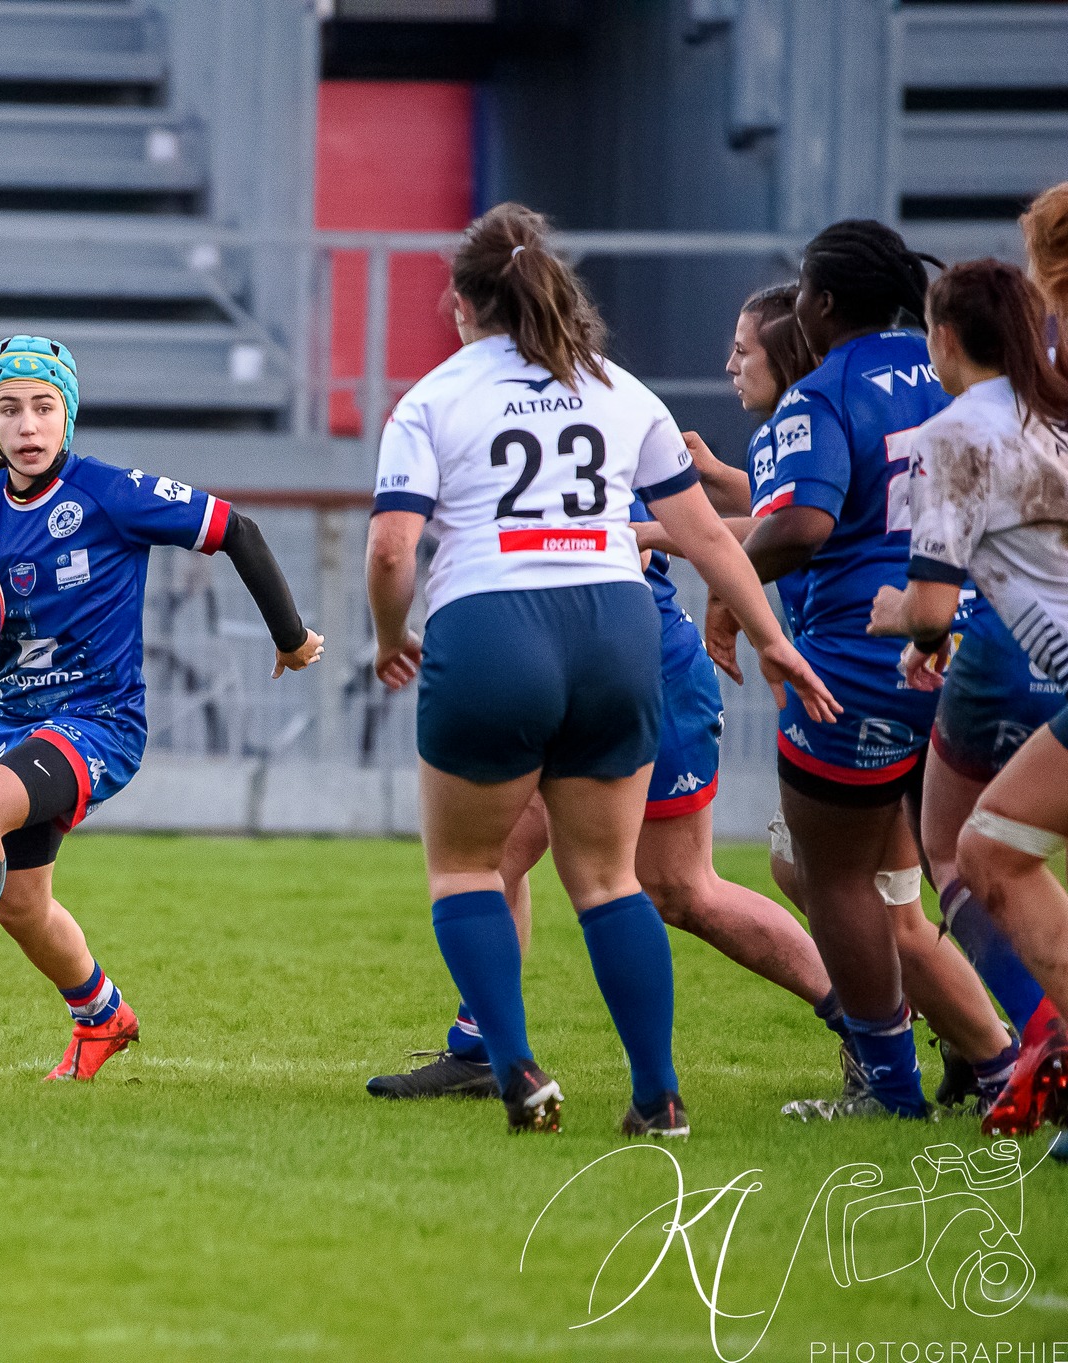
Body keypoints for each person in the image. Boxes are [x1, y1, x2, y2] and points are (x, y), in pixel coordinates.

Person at [366, 204, 836, 1136]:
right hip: (620, 627)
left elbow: (391, 550)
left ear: (462, 304)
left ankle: (514, 1067)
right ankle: (657, 1094)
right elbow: (703, 531)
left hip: (494, 623)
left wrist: (389, 633)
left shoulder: (433, 398)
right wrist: (770, 633)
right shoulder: (620, 389)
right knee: (612, 879)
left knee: (465, 868)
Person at [0, 335, 324, 1079]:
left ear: (68, 415)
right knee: (19, 903)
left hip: (101, 720)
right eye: (9, 409)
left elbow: (235, 528)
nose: (27, 425)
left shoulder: (109, 493)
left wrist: (292, 637)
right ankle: (101, 1014)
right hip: (19, 722)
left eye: (44, 407)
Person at [707, 220, 1020, 1118]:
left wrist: (730, 584)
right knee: (951, 875)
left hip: (861, 661)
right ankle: (1011, 1057)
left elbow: (803, 523)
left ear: (827, 302)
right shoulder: (955, 373)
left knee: (831, 875)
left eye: (804, 288)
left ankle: (890, 1089)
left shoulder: (821, 393)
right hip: (971, 650)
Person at [867, 258, 1068, 1135]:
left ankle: (1047, 1034)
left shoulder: (950, 434)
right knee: (989, 843)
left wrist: (901, 621)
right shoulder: (1053, 415)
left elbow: (930, 603)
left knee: (980, 850)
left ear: (942, 338)